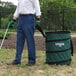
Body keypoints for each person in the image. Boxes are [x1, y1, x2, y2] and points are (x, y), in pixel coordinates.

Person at [7, 0, 41, 66]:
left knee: (30, 40)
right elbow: (18, 8)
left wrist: (38, 19)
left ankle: (31, 61)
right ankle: (17, 60)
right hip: (20, 19)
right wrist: (14, 19)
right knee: (19, 40)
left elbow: (37, 6)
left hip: (28, 18)